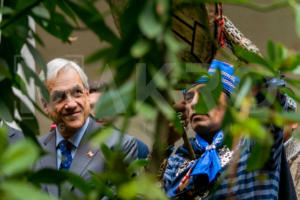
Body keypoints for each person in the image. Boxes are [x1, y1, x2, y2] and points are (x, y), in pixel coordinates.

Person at [163, 60, 293, 199]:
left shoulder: (252, 144)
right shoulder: (178, 159)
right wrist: (164, 144)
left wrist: (251, 60)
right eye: (189, 98)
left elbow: (272, 98)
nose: (194, 103)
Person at [35, 58, 138, 197]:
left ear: (87, 95)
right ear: (45, 106)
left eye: (77, 92)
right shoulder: (35, 151)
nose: (71, 104)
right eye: (59, 97)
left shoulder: (119, 146)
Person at [88, 80, 150, 159]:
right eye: (91, 107)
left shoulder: (137, 148)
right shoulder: (71, 144)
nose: (97, 113)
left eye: (104, 106)